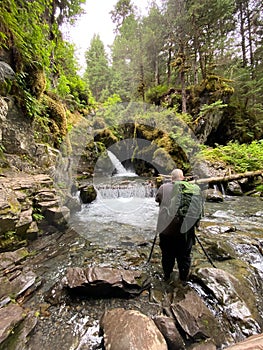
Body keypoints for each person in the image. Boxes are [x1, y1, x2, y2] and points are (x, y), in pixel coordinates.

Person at [155, 169, 196, 283]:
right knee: (184, 256)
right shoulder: (191, 188)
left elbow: (157, 199)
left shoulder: (163, 188)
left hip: (166, 231)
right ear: (182, 178)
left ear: (171, 178)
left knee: (167, 255)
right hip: (186, 231)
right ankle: (183, 280)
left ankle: (167, 277)